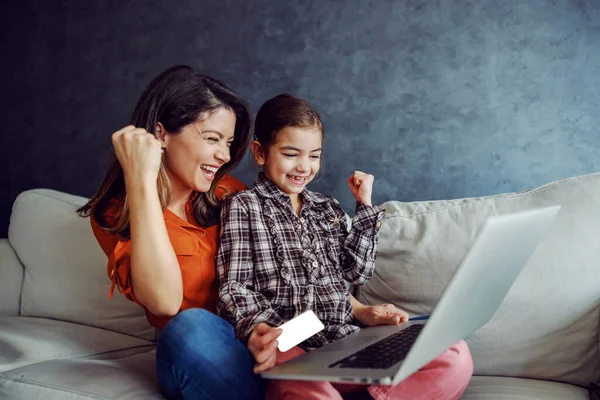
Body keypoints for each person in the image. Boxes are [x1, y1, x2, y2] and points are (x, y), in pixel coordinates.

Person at [216, 93, 474, 399]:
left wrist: (363, 206)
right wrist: (259, 329)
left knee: (454, 352)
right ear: (260, 152)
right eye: (290, 154)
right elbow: (234, 286)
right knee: (305, 386)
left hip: (343, 340)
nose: (304, 166)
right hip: (291, 344)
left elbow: (356, 272)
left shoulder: (327, 207)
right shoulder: (244, 206)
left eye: (313, 156)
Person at [78, 65, 261, 400]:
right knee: (188, 327)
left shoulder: (229, 194)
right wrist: (141, 179)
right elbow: (164, 303)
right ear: (161, 134)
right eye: (212, 139)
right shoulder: (113, 212)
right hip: (201, 350)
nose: (224, 155)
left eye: (229, 142)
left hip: (261, 333)